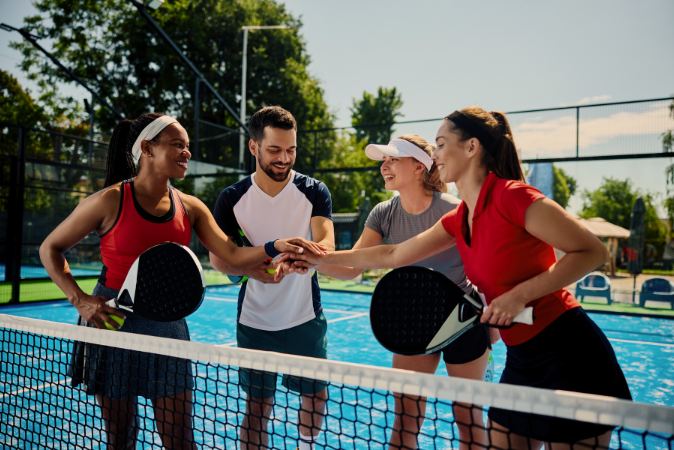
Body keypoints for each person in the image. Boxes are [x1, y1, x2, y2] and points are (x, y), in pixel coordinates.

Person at [281, 106, 632, 449]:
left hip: (569, 352)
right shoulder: (460, 217)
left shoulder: (514, 197)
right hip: (522, 357)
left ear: (471, 147)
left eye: (441, 143)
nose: (436, 153)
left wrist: (517, 296)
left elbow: (592, 252)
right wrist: (315, 258)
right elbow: (393, 254)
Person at [39, 113, 325, 450]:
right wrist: (80, 299)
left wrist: (273, 246)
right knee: (121, 439)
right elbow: (50, 248)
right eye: (178, 145)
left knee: (181, 441)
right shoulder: (109, 200)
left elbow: (231, 254)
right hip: (111, 322)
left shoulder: (190, 206)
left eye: (188, 146)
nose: (187, 152)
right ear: (147, 148)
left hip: (169, 325)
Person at [303, 134, 493, 449]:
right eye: (384, 160)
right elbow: (352, 268)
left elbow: (486, 267)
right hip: (412, 323)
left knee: (468, 421)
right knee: (403, 426)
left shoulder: (456, 210)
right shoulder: (383, 213)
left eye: (394, 159)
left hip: (463, 320)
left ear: (419, 166)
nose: (385, 166)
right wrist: (311, 262)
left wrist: (494, 326)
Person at [209, 106, 335, 450]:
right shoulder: (231, 199)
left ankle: (306, 446)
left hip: (305, 318)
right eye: (274, 150)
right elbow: (219, 258)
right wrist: (252, 270)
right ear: (253, 147)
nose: (284, 158)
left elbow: (326, 243)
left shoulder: (314, 191)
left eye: (291, 150)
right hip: (254, 321)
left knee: (317, 396)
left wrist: (301, 257)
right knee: (257, 408)